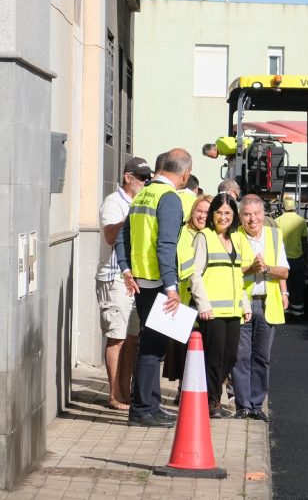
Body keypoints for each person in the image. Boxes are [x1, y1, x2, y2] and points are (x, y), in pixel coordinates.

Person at [115, 148, 192, 427]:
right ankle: (143, 409)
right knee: (152, 347)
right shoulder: (169, 198)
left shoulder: (143, 194)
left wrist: (126, 269)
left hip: (142, 280)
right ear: (185, 174)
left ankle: (151, 405)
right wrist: (172, 287)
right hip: (159, 282)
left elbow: (122, 236)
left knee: (151, 343)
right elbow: (166, 245)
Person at [187, 192, 252, 418]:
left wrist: (245, 304)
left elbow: (238, 276)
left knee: (230, 357)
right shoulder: (204, 237)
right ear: (212, 215)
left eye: (227, 213)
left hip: (233, 310)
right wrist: (203, 305)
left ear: (233, 215)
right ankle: (212, 402)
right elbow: (194, 275)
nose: (223, 217)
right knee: (214, 358)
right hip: (212, 311)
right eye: (218, 212)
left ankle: (212, 397)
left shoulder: (235, 238)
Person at [96, 156, 151, 410]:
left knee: (132, 339)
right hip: (114, 278)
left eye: (147, 178)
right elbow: (109, 236)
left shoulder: (139, 202)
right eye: (141, 177)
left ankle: (125, 391)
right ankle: (114, 394)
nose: (145, 182)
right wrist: (131, 216)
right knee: (117, 337)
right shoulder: (113, 202)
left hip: (133, 279)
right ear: (127, 177)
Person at [232, 194, 289, 421]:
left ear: (263, 215)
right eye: (247, 214)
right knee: (240, 356)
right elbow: (229, 271)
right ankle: (243, 405)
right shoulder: (234, 237)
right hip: (242, 304)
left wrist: (266, 270)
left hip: (267, 303)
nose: (252, 219)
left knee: (262, 358)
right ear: (240, 217)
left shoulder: (275, 235)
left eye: (256, 214)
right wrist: (250, 269)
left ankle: (257, 405)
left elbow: (284, 271)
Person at [163, 194, 213, 388]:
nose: (201, 216)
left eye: (206, 212)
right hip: (184, 298)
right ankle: (184, 391)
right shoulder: (182, 232)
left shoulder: (214, 236)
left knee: (207, 348)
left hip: (208, 299)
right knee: (183, 350)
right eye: (198, 211)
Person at [275, 194, 308, 318]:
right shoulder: (301, 221)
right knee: (297, 286)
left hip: (282, 260)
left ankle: (284, 309)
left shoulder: (278, 221)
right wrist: (306, 259)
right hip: (297, 260)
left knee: (284, 285)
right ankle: (298, 311)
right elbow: (304, 242)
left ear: (283, 207)